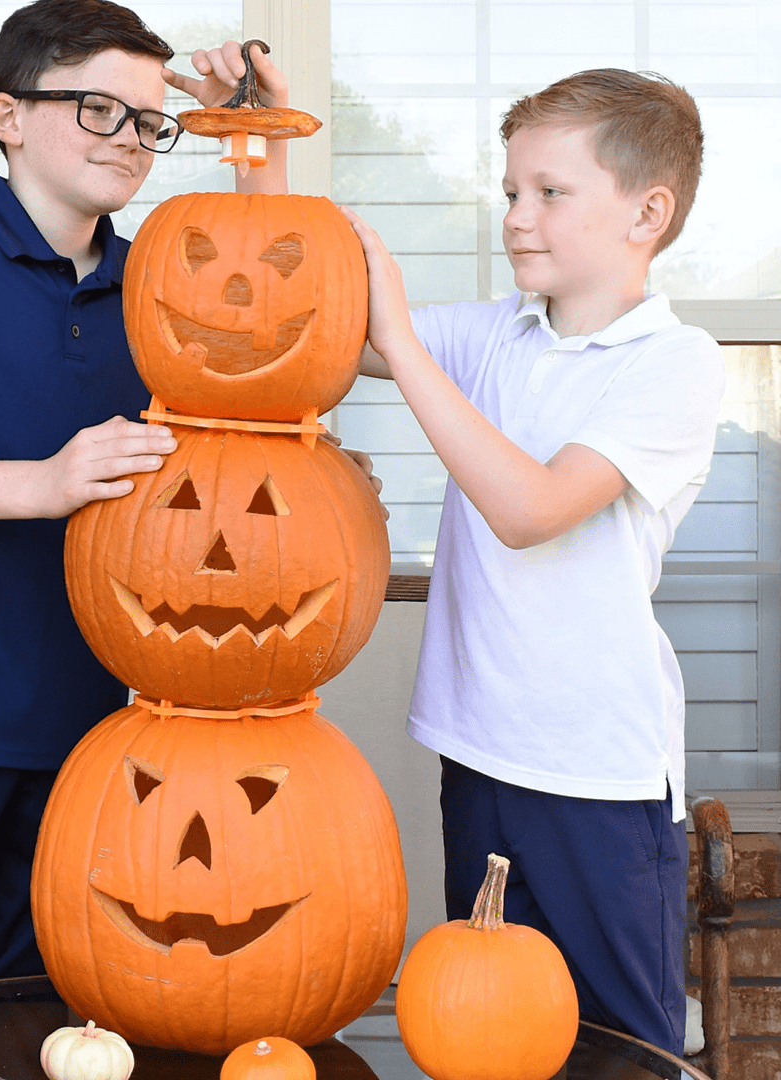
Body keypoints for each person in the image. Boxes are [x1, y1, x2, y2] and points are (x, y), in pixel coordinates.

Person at [0, 0, 291, 989]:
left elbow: (285, 319)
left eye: (150, 121)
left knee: (47, 1010)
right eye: (97, 109)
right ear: (8, 115)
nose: (129, 139)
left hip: (93, 726)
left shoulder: (154, 281)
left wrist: (252, 139)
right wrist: (44, 485)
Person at [343, 69, 725, 1056]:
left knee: (622, 1053)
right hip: (478, 758)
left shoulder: (673, 362)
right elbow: (312, 308)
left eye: (550, 194)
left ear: (648, 212)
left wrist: (407, 346)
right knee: (487, 1041)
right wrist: (262, 145)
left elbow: (530, 509)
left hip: (597, 778)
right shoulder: (496, 335)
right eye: (511, 191)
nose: (517, 217)